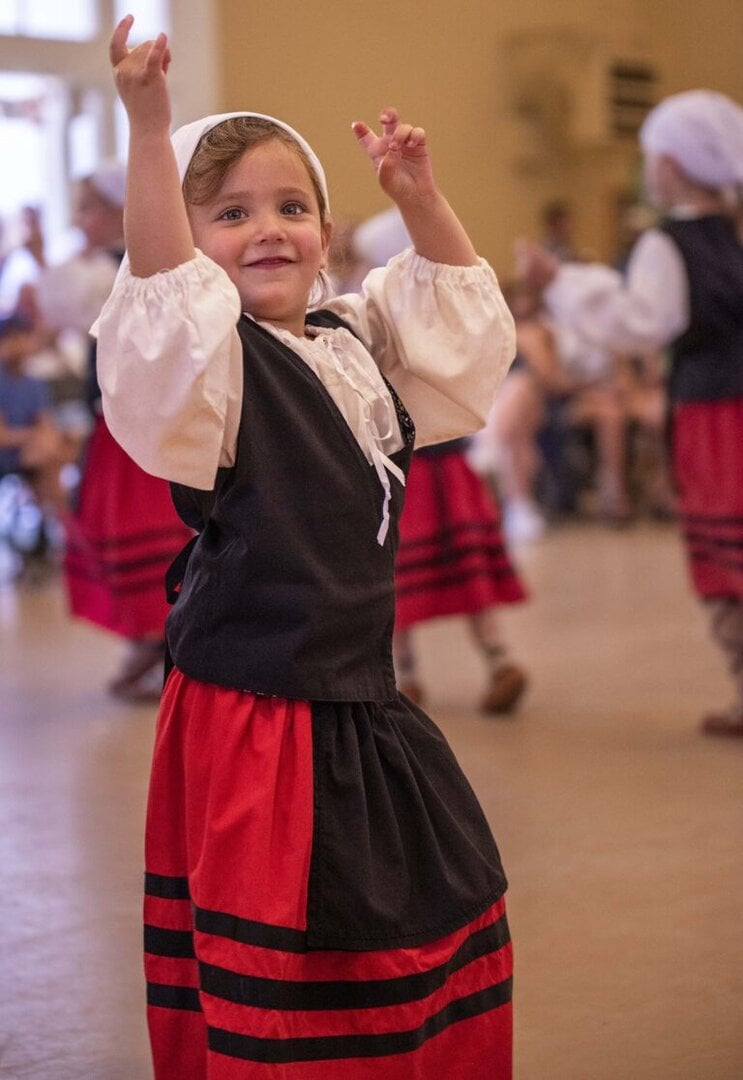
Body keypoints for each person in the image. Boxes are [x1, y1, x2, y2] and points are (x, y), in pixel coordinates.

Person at [99, 15, 517, 1078]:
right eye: (230, 214)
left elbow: (458, 344)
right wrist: (150, 129)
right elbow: (156, 298)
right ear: (191, 248)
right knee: (288, 958)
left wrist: (417, 199)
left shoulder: (347, 340)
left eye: (292, 208)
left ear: (327, 233)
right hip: (260, 711)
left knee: (425, 904)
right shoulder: (217, 372)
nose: (269, 229)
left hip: (355, 698)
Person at [517, 89, 743, 738]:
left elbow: (642, 324)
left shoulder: (666, 245)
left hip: (714, 415)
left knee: (726, 558)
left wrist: (556, 283)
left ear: (667, 165)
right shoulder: (731, 234)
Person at [354, 208, 528, 712]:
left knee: (397, 576)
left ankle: (406, 676)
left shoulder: (384, 319)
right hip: (444, 462)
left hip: (403, 468)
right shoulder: (428, 315)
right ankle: (497, 658)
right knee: (463, 568)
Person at [44, 161, 193, 703]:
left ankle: (162, 637)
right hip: (112, 427)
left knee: (147, 532)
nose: (80, 219)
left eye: (88, 208)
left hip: (135, 429)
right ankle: (150, 638)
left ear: (117, 212)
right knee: (110, 531)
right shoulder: (99, 272)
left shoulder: (126, 273)